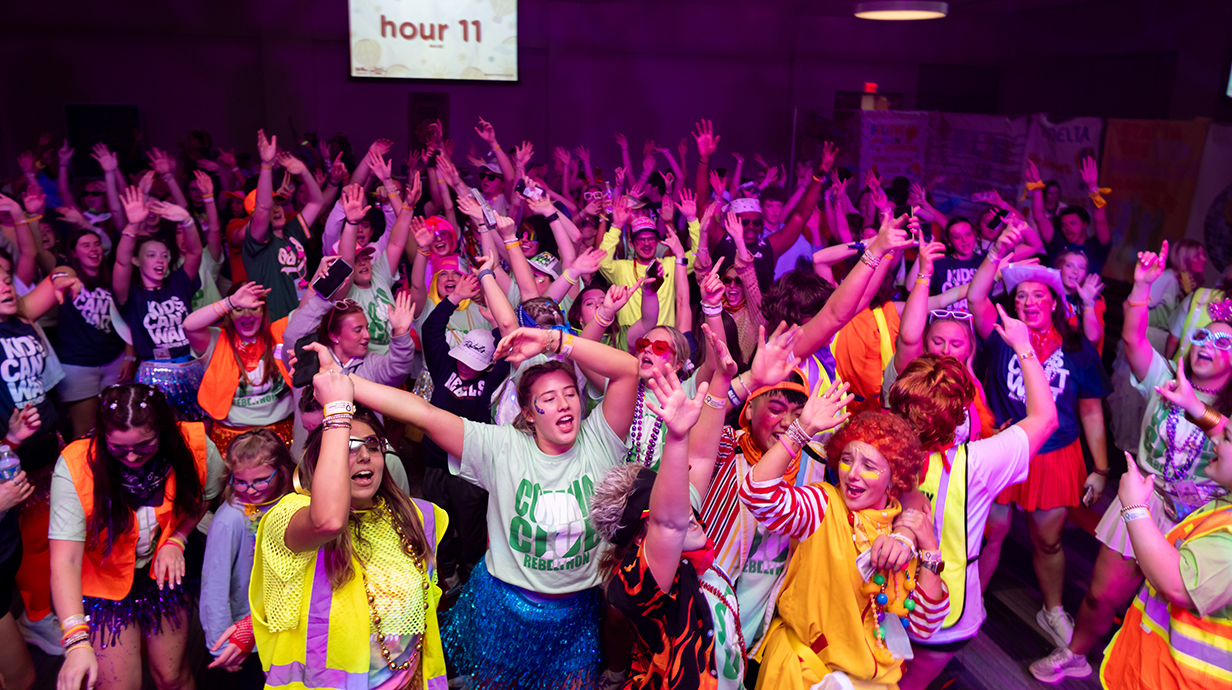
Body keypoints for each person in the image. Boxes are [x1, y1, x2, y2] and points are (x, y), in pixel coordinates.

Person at [345, 325, 640, 687]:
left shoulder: (599, 442)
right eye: (548, 399)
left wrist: (554, 340)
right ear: (529, 413)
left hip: (576, 617)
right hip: (504, 609)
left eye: (570, 394)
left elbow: (628, 369)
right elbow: (424, 414)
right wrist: (347, 384)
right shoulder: (502, 448)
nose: (564, 404)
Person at [1030, 241, 1232, 682]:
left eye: (1223, 342)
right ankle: (1076, 653)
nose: (1207, 345)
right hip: (1146, 499)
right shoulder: (1166, 378)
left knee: (1175, 615)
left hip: (1201, 519)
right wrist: (1141, 285)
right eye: (1202, 336)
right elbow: (1134, 339)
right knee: (1101, 596)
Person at [249, 363, 448, 689]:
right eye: (348, 448)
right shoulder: (289, 515)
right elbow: (327, 521)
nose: (364, 455)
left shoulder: (419, 516)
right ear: (319, 462)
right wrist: (337, 409)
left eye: (372, 445)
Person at [887, 316, 1060, 690]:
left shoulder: (877, 448)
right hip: (947, 609)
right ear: (960, 413)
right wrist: (1023, 347)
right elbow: (1046, 419)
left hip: (880, 599)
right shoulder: (979, 463)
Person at [967, 223, 1112, 654]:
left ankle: (1051, 609)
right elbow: (975, 298)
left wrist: (1101, 469)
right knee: (989, 533)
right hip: (1005, 447)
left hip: (1054, 454)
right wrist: (996, 251)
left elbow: (1090, 409)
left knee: (1048, 541)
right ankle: (968, 602)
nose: (1028, 303)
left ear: (1055, 302)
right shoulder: (1002, 335)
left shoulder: (1077, 348)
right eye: (1021, 297)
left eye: (1038, 296)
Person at [739, 407, 949, 689]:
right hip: (802, 674)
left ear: (894, 476)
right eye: (847, 460)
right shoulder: (823, 505)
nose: (852, 474)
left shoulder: (902, 531)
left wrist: (930, 549)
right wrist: (801, 431)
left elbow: (925, 627)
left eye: (869, 466)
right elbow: (756, 494)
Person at [51, 384, 222, 690]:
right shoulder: (76, 464)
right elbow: (66, 560)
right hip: (103, 581)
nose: (131, 456)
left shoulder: (193, 443)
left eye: (144, 445)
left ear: (163, 432)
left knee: (172, 677)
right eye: (118, 448)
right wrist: (76, 640)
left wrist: (178, 538)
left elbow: (208, 493)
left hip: (163, 575)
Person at [1098, 449, 1232, 689]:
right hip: (1157, 670)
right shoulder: (1225, 506)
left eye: (1227, 438)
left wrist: (1135, 507)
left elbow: (1178, 586)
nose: (1214, 442)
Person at [419, 273, 511, 592]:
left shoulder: (491, 379)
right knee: (438, 524)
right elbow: (431, 330)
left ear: (488, 364)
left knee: (471, 528)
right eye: (463, 358)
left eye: (473, 363)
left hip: (471, 468)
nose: (464, 366)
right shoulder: (445, 365)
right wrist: (454, 298)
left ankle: (472, 582)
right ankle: (447, 575)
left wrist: (496, 322)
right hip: (434, 463)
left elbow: (511, 345)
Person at [200, 429, 296, 687]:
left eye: (261, 480)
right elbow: (214, 586)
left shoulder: (292, 504)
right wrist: (221, 647)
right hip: (247, 641)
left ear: (282, 471)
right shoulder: (229, 519)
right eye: (240, 481)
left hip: (289, 628)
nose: (250, 489)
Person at [883, 237, 994, 445]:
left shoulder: (973, 385)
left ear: (969, 350)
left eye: (956, 344)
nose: (945, 350)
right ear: (925, 343)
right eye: (937, 341)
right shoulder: (911, 375)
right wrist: (924, 274)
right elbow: (908, 338)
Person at [113, 188, 206, 421]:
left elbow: (195, 252)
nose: (160, 260)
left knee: (200, 428)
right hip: (153, 374)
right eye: (152, 255)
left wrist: (187, 221)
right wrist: (133, 225)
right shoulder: (131, 294)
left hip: (190, 368)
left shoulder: (178, 282)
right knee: (159, 430)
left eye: (164, 255)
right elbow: (121, 263)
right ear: (137, 260)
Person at [184, 282, 294, 452]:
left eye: (254, 308)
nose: (247, 314)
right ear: (230, 314)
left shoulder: (278, 332)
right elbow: (189, 326)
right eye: (239, 309)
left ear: (263, 312)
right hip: (232, 437)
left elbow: (307, 311)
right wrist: (231, 302)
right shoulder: (216, 340)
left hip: (280, 432)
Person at [56, 229, 135, 439]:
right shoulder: (67, 279)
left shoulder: (112, 279)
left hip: (114, 361)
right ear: (74, 252)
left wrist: (129, 355)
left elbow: (127, 317)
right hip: (78, 365)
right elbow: (40, 257)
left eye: (97, 244)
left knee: (118, 427)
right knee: (85, 433)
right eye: (86, 245)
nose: (93, 249)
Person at [241, 132, 323, 321]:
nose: (276, 209)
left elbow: (316, 203)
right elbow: (263, 207)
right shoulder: (257, 242)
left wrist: (304, 172)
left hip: (303, 319)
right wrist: (266, 165)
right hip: (276, 324)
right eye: (271, 206)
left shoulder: (292, 231)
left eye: (278, 203)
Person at [1054, 249, 1107, 353]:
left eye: (1081, 267)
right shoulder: (1048, 296)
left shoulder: (1094, 299)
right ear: (1059, 268)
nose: (1075, 271)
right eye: (1069, 266)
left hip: (1079, 357)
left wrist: (1088, 304)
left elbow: (1093, 337)